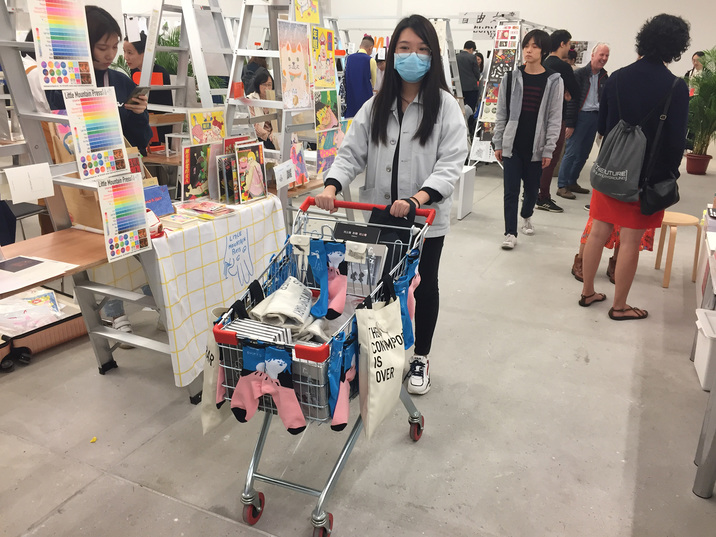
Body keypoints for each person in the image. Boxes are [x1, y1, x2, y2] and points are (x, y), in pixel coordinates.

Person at [315, 14, 467, 395]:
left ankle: (421, 357)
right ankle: (377, 352)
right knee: (375, 285)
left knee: (423, 284)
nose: (412, 56)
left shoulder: (445, 107)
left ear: (432, 57)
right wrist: (333, 186)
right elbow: (350, 153)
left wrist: (418, 198)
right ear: (391, 53)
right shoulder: (375, 106)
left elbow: (451, 163)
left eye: (421, 49)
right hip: (381, 214)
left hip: (424, 217)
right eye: (404, 48)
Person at [46, 6, 153, 342]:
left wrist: (138, 114)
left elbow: (140, 140)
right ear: (83, 44)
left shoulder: (121, 80)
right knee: (98, 245)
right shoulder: (59, 84)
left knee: (139, 240)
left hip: (122, 174)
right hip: (82, 179)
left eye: (114, 47)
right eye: (101, 48)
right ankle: (112, 311)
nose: (109, 55)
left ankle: (146, 301)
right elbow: (58, 133)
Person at [579, 14, 690, 320]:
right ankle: (619, 306)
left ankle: (588, 292)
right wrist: (667, 174)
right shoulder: (675, 87)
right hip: (646, 177)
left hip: (610, 169)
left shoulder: (616, 78)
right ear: (677, 47)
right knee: (629, 240)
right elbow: (675, 142)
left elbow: (602, 125)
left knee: (598, 230)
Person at [492, 29, 564, 250]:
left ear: (543, 50)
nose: (529, 50)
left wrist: (549, 149)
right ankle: (510, 232)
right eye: (526, 46)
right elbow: (501, 112)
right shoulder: (511, 77)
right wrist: (498, 142)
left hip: (537, 146)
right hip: (513, 144)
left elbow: (554, 118)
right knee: (510, 190)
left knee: (532, 190)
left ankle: (527, 215)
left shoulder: (553, 80)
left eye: (534, 46)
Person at [556, 43, 610, 200]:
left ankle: (572, 181)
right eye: (601, 55)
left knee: (584, 153)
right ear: (593, 55)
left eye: (607, 55)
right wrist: (570, 124)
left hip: (595, 117)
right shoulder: (579, 74)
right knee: (572, 152)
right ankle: (562, 185)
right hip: (580, 117)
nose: (604, 58)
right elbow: (572, 100)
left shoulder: (604, 77)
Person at [536, 29, 581, 214]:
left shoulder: (544, 63)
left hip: (541, 117)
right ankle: (543, 196)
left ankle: (536, 192)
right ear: (562, 44)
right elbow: (576, 92)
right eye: (569, 44)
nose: (569, 48)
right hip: (556, 117)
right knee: (552, 158)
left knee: (540, 158)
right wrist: (567, 95)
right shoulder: (562, 67)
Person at [123, 32, 173, 147]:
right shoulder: (134, 72)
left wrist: (164, 141)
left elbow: (164, 108)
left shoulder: (160, 73)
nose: (126, 57)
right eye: (124, 52)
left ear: (144, 53)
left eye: (130, 52)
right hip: (140, 130)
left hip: (157, 134)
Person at [246, 67, 280, 150]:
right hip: (259, 137)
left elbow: (278, 120)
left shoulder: (274, 99)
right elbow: (254, 125)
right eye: (264, 84)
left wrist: (273, 133)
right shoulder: (250, 99)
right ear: (258, 85)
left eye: (269, 85)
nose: (267, 88)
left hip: (274, 136)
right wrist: (267, 135)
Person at [344, 35, 377, 117]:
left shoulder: (348, 59)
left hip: (350, 100)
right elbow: (375, 84)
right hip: (365, 101)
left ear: (360, 46)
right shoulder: (371, 60)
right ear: (371, 48)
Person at [457, 40, 481, 113]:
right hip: (471, 87)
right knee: (470, 109)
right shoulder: (472, 57)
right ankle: (470, 123)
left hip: (459, 87)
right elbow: (476, 73)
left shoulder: (456, 57)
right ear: (471, 49)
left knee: (460, 109)